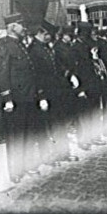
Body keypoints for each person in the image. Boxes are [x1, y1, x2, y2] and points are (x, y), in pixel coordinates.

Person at [0, 14, 40, 183]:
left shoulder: (19, 45)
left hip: (27, 97)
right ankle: (15, 170)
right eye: (21, 24)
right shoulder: (5, 46)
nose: (24, 27)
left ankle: (27, 165)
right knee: (16, 136)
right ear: (12, 26)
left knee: (28, 134)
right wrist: (7, 97)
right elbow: (2, 73)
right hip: (15, 99)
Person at [29, 22, 78, 166]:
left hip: (56, 92)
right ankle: (49, 157)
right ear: (41, 33)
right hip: (45, 94)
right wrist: (41, 96)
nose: (50, 37)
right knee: (46, 128)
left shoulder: (46, 47)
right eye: (47, 34)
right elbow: (35, 76)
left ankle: (63, 153)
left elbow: (57, 66)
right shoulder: (33, 50)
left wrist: (68, 75)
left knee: (59, 124)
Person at [71, 22, 104, 150]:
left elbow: (95, 63)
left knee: (95, 112)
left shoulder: (89, 45)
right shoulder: (75, 48)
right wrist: (80, 89)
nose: (91, 35)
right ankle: (83, 139)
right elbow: (76, 70)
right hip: (84, 85)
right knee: (84, 114)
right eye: (89, 33)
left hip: (94, 83)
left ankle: (94, 136)